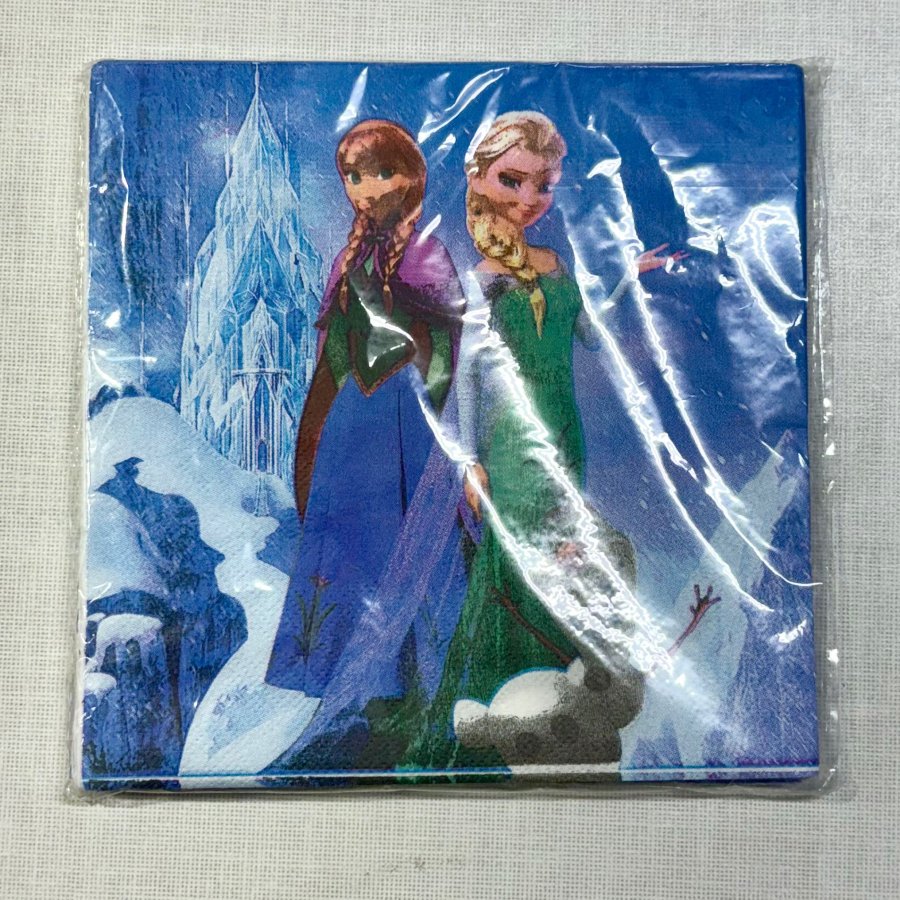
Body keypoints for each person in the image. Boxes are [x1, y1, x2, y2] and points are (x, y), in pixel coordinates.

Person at [405, 111, 676, 772]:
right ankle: (502, 702)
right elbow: (465, 377)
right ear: (478, 180)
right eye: (512, 180)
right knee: (518, 554)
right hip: (512, 440)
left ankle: (559, 706)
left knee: (564, 551)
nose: (528, 198)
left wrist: (627, 279)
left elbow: (591, 335)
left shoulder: (555, 264)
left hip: (563, 429)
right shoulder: (475, 281)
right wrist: (469, 461)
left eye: (543, 184)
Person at [265, 119, 465, 700]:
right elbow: (332, 357)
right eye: (354, 176)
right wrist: (315, 435)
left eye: (381, 172)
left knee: (406, 543)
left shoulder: (427, 255)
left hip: (408, 424)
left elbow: (448, 348)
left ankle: (412, 681)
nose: (366, 188)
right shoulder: (347, 262)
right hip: (352, 426)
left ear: (410, 179)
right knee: (350, 546)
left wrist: (431, 412)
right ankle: (340, 675)